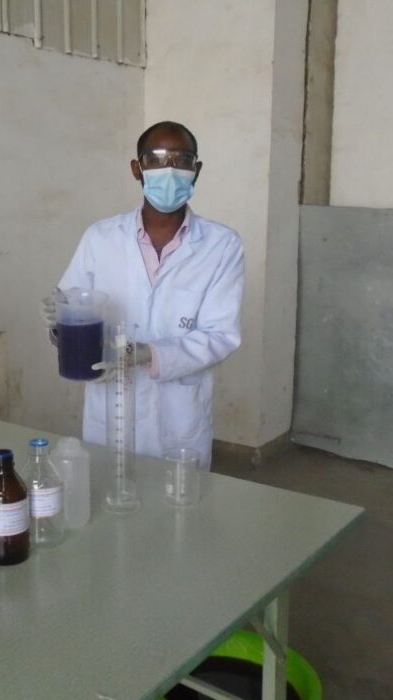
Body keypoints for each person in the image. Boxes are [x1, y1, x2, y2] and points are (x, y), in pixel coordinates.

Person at [44, 121, 244, 468]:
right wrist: (59, 324)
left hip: (178, 416)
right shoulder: (100, 237)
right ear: (137, 168)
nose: (170, 170)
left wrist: (149, 354)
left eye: (182, 160)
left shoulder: (222, 245)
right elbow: (72, 313)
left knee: (178, 497)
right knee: (106, 488)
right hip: (111, 407)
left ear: (196, 170)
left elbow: (220, 336)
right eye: (157, 159)